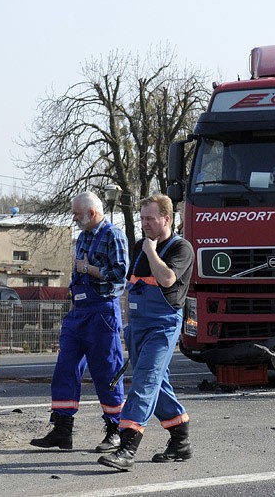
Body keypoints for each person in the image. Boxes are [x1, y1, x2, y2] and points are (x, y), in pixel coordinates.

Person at [98, 193, 195, 471]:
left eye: (150, 218)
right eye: (142, 218)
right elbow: (132, 287)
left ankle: (127, 446)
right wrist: (127, 325)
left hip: (162, 327)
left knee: (144, 382)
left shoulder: (181, 248)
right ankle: (180, 440)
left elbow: (166, 279)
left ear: (167, 219)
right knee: (157, 384)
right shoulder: (139, 246)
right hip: (137, 328)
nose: (145, 224)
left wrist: (151, 250)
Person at [30, 191, 128, 452]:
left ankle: (115, 431)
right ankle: (62, 430)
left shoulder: (113, 235)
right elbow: (77, 271)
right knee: (65, 367)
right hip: (78, 312)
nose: (73, 218)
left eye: (76, 213)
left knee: (106, 371)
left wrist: (88, 269)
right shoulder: (83, 237)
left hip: (102, 313)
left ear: (92, 213)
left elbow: (120, 275)